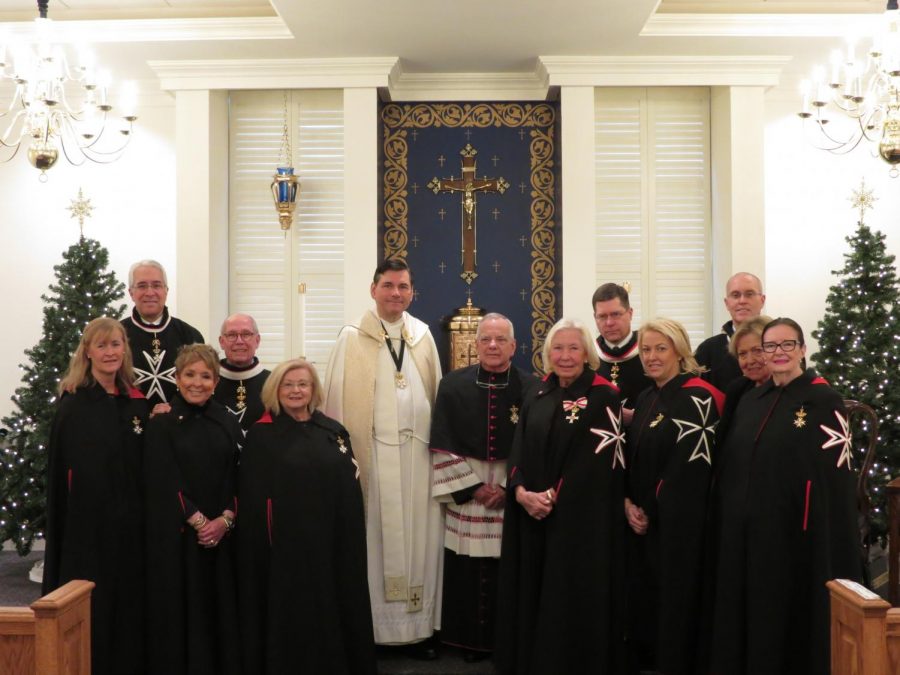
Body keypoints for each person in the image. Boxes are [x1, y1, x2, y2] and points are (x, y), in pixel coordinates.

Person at [708, 318, 861, 675]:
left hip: (795, 536)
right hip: (746, 534)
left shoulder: (822, 399)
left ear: (802, 350)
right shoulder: (752, 398)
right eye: (770, 346)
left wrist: (804, 522)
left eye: (786, 345)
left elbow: (831, 479)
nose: (777, 353)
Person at [322, 259, 443, 656]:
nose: (396, 293)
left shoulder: (423, 336)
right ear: (373, 289)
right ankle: (375, 632)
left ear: (412, 292)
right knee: (375, 541)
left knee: (420, 539)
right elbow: (336, 404)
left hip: (418, 457)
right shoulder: (351, 338)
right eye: (388, 285)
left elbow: (435, 394)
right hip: (371, 456)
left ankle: (419, 630)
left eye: (403, 286)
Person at [495, 318, 626, 674]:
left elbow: (593, 462)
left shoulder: (604, 396)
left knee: (567, 599)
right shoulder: (537, 392)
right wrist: (521, 492)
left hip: (576, 522)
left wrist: (549, 498)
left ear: (587, 353)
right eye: (558, 348)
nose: (565, 356)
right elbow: (519, 447)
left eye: (573, 348)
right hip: (531, 514)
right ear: (546, 353)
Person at [236, 358, 376, 674]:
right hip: (287, 550)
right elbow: (256, 500)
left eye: (303, 384)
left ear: (313, 389)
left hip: (333, 543)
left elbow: (350, 487)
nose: (296, 390)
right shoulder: (262, 435)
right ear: (275, 390)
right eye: (288, 384)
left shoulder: (333, 431)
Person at [42, 317, 149, 675]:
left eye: (116, 344)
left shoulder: (137, 402)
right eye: (101, 345)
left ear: (125, 349)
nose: (110, 352)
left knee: (131, 603)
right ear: (87, 351)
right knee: (95, 604)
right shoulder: (74, 406)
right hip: (88, 530)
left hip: (132, 526)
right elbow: (65, 475)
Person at [429, 313, 538, 662]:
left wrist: (509, 486)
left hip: (513, 487)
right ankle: (468, 642)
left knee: (508, 567)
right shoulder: (452, 385)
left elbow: (537, 445)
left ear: (513, 346)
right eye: (486, 339)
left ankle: (505, 641)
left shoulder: (533, 386)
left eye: (500, 340)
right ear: (475, 345)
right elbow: (441, 441)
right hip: (466, 487)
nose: (493, 346)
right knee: (466, 568)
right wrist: (474, 487)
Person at [625, 318, 723, 675]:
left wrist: (647, 508)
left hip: (681, 522)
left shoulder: (697, 396)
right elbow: (632, 458)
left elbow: (688, 468)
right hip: (642, 520)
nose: (651, 357)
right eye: (646, 349)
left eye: (660, 349)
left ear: (680, 351)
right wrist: (627, 503)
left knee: (677, 599)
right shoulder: (647, 396)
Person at [144, 344, 242, 675]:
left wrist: (225, 520)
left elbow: (238, 476)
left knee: (220, 612)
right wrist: (201, 523)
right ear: (176, 377)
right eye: (189, 375)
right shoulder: (162, 422)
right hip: (181, 537)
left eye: (205, 376)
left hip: (222, 537)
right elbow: (162, 478)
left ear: (215, 382)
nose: (197, 383)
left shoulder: (227, 420)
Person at [122, 260, 203, 409]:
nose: (150, 292)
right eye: (142, 286)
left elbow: (201, 387)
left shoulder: (190, 335)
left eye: (157, 285)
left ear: (166, 290)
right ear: (131, 293)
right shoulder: (117, 335)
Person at [695, 272, 766, 392]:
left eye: (749, 294)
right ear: (727, 303)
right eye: (735, 295)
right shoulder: (708, 349)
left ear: (762, 300)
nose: (742, 301)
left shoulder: (778, 342)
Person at [592, 283, 652, 417]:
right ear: (594, 318)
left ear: (630, 313)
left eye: (616, 314)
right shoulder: (587, 356)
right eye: (602, 316)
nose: (609, 323)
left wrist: (638, 417)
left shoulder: (650, 352)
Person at [213, 313, 269, 434]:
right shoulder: (207, 380)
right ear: (221, 342)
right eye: (232, 335)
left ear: (257, 340)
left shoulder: (274, 382)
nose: (239, 341)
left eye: (246, 334)